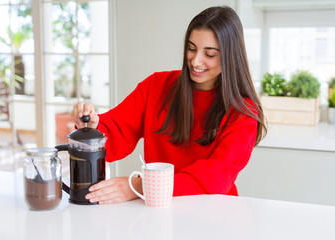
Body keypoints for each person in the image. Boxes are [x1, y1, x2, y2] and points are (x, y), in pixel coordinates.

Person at [71, 6, 267, 204]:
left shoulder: (244, 111)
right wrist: (91, 127)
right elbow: (115, 135)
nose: (196, 61)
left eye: (209, 54)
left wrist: (140, 186)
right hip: (158, 209)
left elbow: (215, 180)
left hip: (214, 214)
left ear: (229, 56)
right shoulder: (156, 86)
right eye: (191, 49)